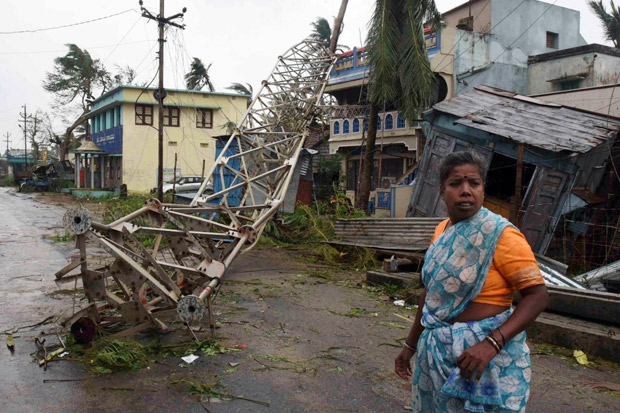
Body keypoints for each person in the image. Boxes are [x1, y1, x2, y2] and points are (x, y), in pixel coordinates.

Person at [395, 150, 549, 412]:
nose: (465, 191)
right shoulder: (442, 231)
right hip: (438, 354)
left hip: (484, 358)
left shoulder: (501, 235)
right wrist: (410, 345)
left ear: (482, 190)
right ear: (442, 192)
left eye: (473, 183)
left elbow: (538, 296)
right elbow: (430, 294)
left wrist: (492, 344)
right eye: (455, 184)